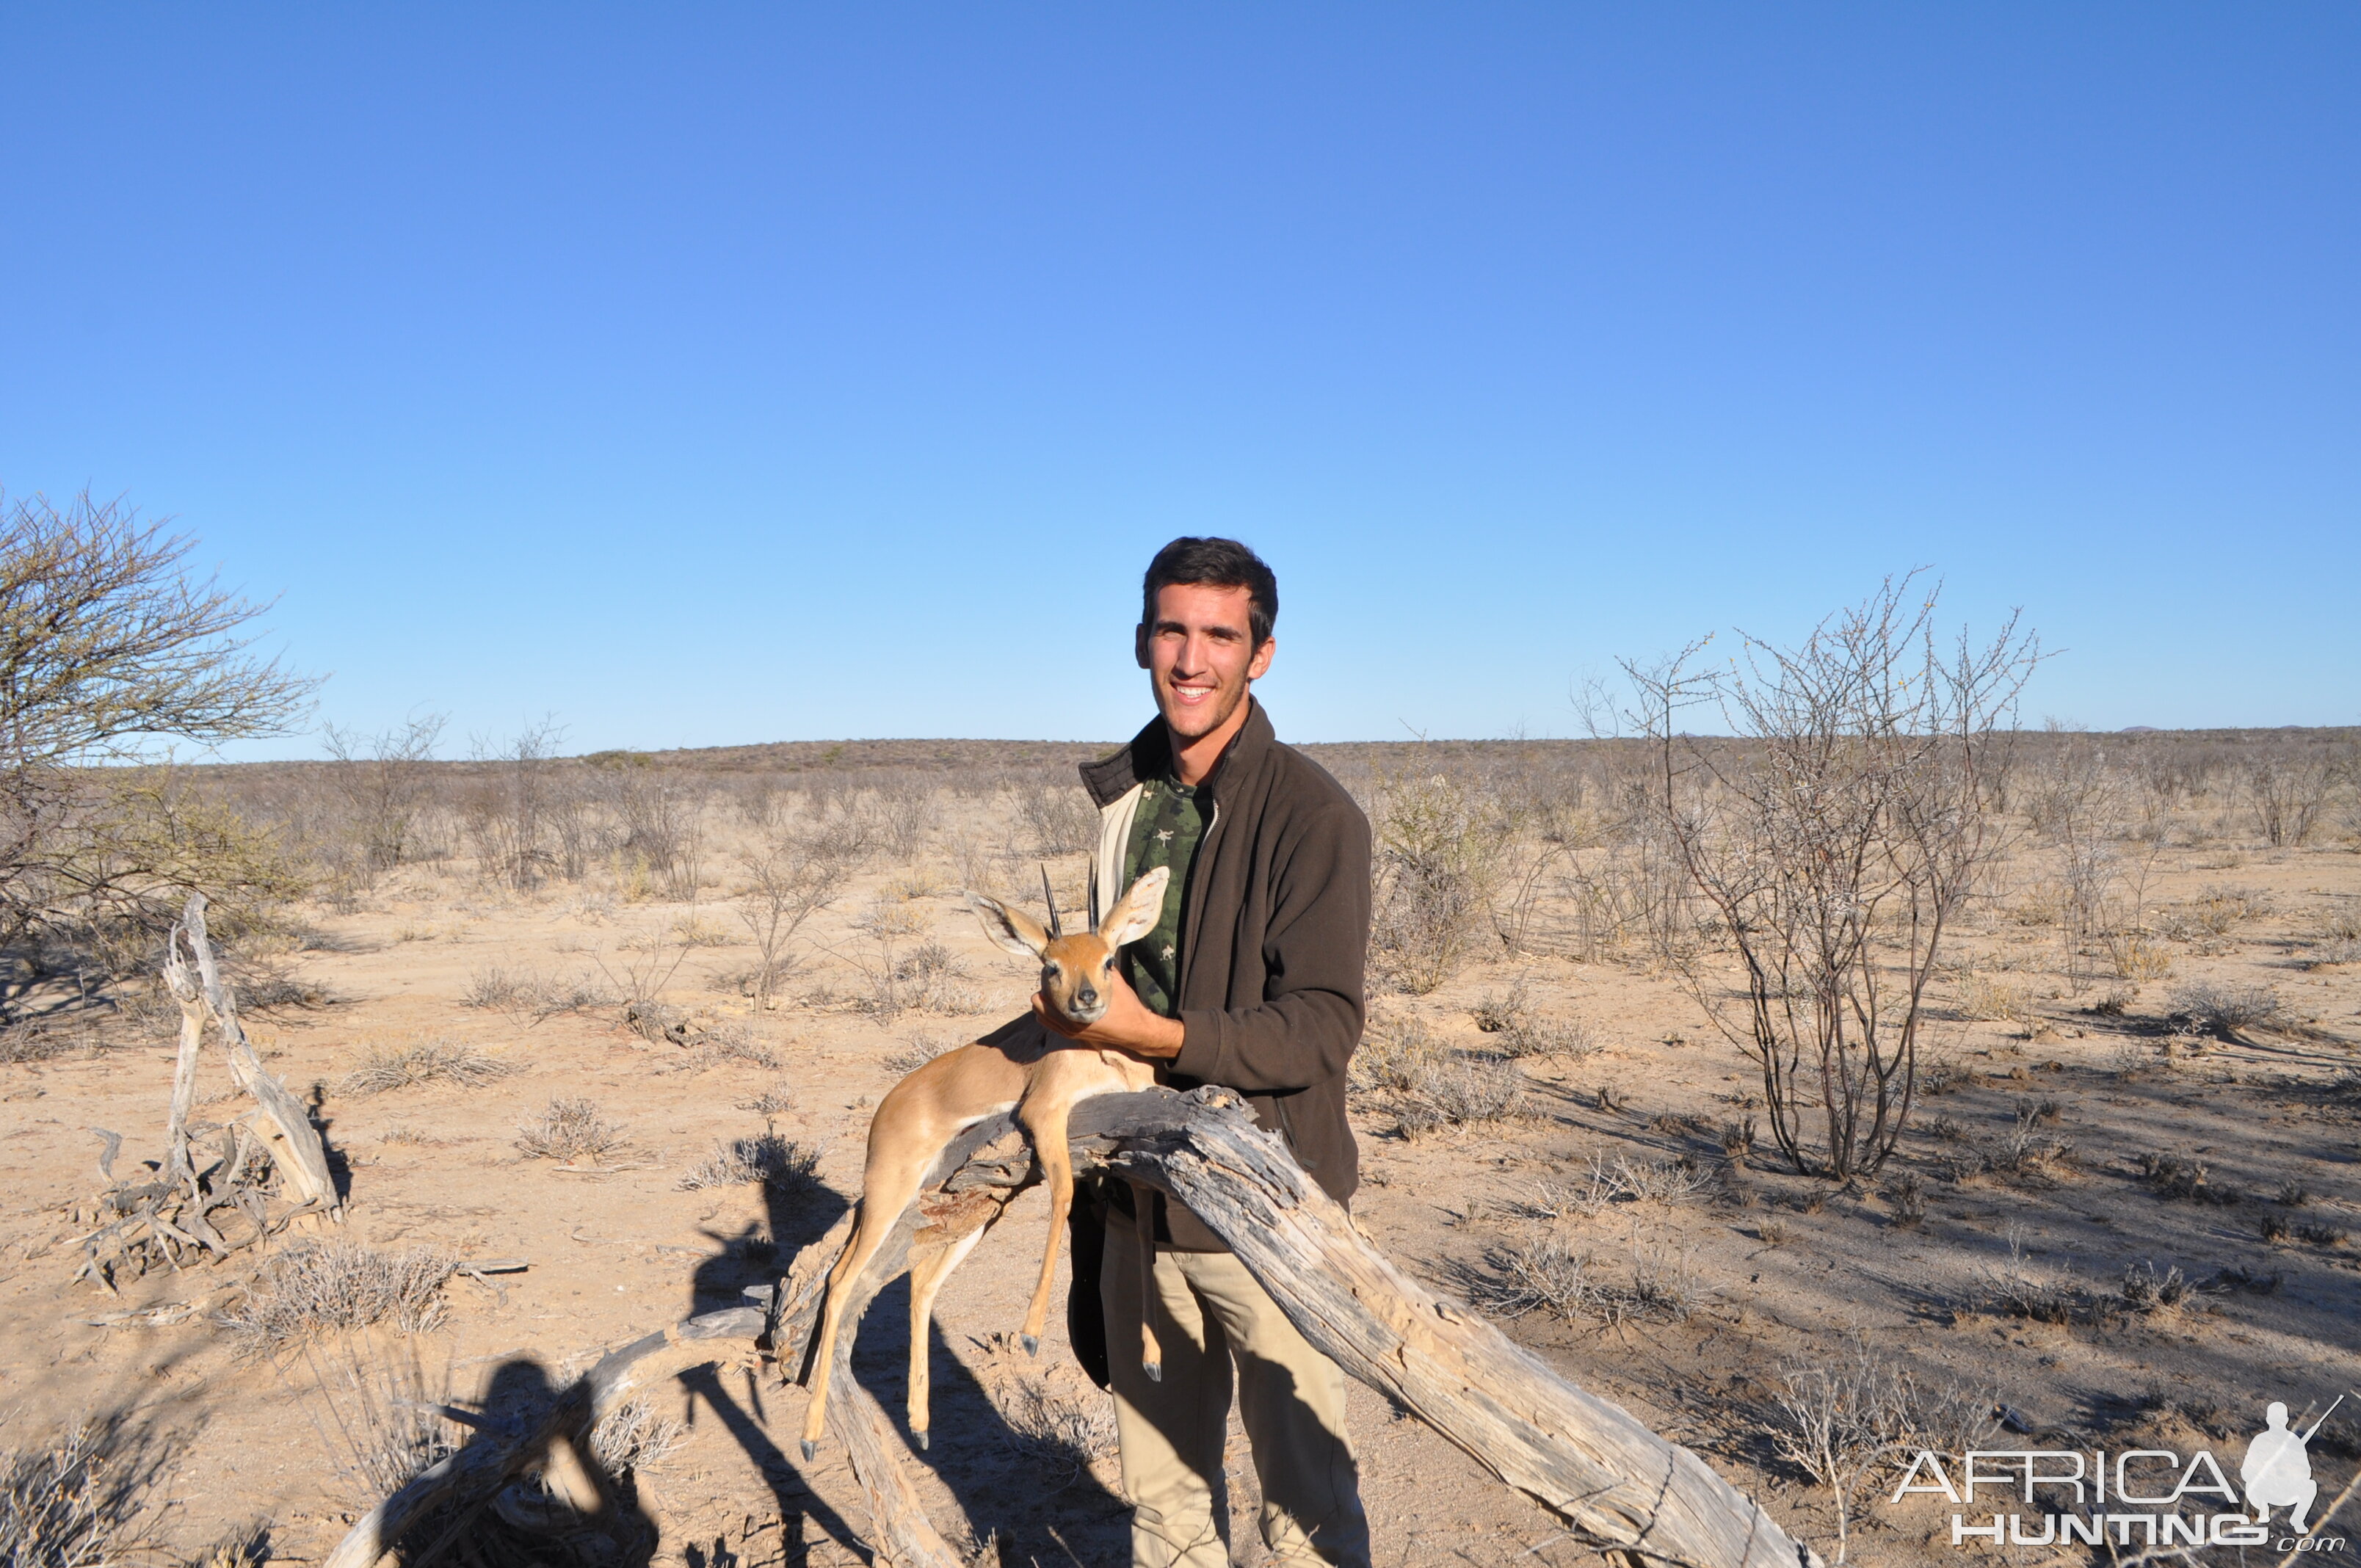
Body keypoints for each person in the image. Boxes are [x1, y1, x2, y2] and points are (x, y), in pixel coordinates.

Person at [1030, 536, 1374, 1568]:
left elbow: (1322, 1024)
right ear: (1142, 641)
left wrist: (1159, 1036)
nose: (1192, 658)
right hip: (1135, 1203)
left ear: (1260, 655)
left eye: (1220, 636)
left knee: (1306, 1515)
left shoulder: (1314, 815)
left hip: (1271, 1208)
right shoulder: (1128, 803)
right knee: (1168, 1516)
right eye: (1173, 630)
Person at [2242, 1401, 2319, 1531]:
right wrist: (2265, 1470)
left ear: (2286, 1420)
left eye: (2280, 1419)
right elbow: (2246, 1471)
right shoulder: (2260, 1440)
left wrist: (2288, 1470)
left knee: (2311, 1486)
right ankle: (2263, 1511)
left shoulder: (2294, 1441)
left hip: (2287, 1489)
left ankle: (2298, 1520)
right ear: (2268, 1420)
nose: (2277, 1423)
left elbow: (2306, 1472)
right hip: (2264, 1489)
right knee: (2251, 1484)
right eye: (2274, 1419)